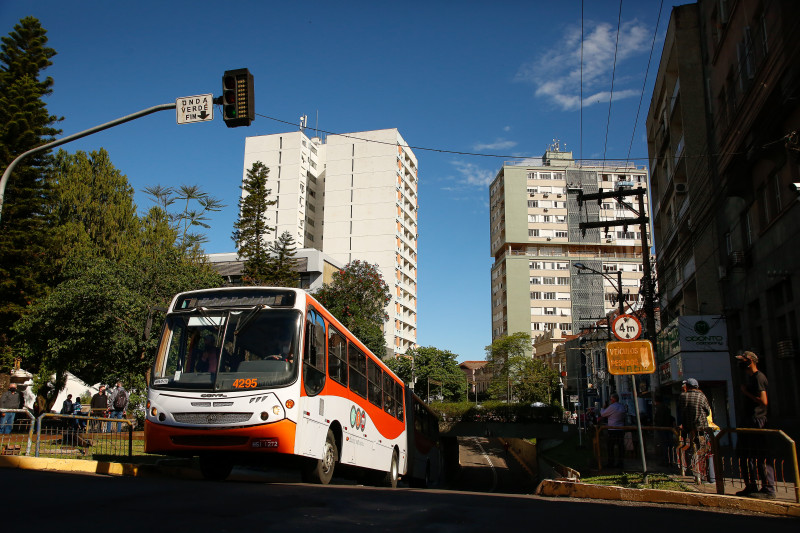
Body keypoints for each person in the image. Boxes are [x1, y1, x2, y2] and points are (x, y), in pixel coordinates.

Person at [734, 351, 776, 499]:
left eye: (743, 360)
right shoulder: (751, 378)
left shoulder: (759, 377)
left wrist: (746, 393)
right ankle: (751, 485)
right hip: (748, 420)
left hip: (757, 420)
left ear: (750, 360)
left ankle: (768, 489)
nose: (741, 363)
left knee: (760, 455)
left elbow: (764, 401)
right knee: (747, 455)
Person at [678, 378, 711, 483]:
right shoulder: (701, 396)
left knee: (688, 449)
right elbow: (707, 411)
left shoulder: (683, 396)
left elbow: (681, 411)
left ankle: (692, 472)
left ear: (687, 386)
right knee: (702, 450)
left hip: (687, 428)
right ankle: (702, 474)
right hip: (700, 428)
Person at [599, 393, 627, 468]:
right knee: (620, 446)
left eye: (611, 399)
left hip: (612, 429)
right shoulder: (622, 407)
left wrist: (603, 408)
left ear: (614, 399)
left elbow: (603, 414)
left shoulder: (612, 407)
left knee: (610, 446)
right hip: (621, 429)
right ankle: (621, 462)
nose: (610, 400)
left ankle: (611, 462)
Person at [653, 395, 675, 466]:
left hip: (663, 428)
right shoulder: (665, 407)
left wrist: (657, 426)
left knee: (664, 445)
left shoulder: (659, 408)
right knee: (668, 445)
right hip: (667, 428)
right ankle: (670, 460)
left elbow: (659, 419)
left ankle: (666, 460)